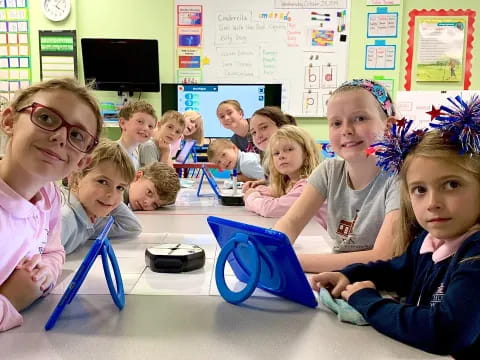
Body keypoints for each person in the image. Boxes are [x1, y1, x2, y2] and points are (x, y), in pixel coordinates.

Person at [311, 104, 480, 358]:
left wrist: (366, 300)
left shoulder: (475, 254)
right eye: (420, 190)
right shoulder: (430, 240)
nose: (432, 202)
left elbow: (447, 331)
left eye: (452, 184)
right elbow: (396, 270)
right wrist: (348, 274)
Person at [0, 78, 102, 331]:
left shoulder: (49, 194)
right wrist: (11, 300)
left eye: (77, 135)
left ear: (82, 162)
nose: (59, 137)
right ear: (9, 121)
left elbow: (54, 252)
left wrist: (46, 272)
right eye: (46, 118)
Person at [274, 79, 399, 273]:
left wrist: (291, 262)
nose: (347, 130)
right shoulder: (329, 171)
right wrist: (271, 250)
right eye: (336, 123)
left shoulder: (399, 177)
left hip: (384, 287)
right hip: (340, 279)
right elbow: (291, 223)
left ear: (389, 127)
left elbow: (382, 256)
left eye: (360, 118)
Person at [61, 139, 141, 254]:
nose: (111, 194)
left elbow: (131, 227)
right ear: (76, 177)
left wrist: (110, 202)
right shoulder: (65, 218)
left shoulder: (88, 216)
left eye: (120, 188)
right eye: (102, 182)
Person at [244, 125, 327, 229]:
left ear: (306, 154)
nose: (281, 156)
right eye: (276, 153)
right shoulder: (289, 182)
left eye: (289, 149)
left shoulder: (309, 185)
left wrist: (251, 197)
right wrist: (257, 190)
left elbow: (271, 209)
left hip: (320, 241)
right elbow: (271, 191)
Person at [243, 106, 297, 191]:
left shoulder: (292, 155)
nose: (258, 136)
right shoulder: (267, 157)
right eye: (253, 132)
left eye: (264, 127)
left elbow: (284, 195)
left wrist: (252, 195)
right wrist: (265, 181)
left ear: (281, 125)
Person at [117, 100, 157, 170]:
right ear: (123, 123)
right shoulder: (114, 154)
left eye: (150, 126)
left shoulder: (135, 152)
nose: (146, 128)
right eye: (140, 122)